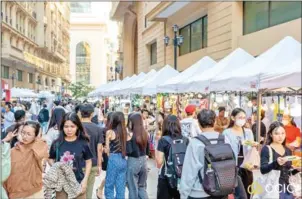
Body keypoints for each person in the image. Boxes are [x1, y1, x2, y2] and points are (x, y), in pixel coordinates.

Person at [179, 109, 232, 199]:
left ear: (199, 124)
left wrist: (183, 193)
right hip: (222, 189)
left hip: (199, 192)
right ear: (215, 122)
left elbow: (189, 171)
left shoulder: (195, 143)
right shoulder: (225, 139)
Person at [49, 112, 93, 199]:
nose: (69, 130)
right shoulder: (57, 143)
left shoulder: (83, 143)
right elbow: (50, 158)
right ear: (62, 127)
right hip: (61, 185)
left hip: (78, 184)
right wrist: (56, 167)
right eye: (66, 126)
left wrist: (85, 180)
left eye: (72, 126)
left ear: (77, 127)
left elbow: (88, 161)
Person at [4, 121, 48, 199]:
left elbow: (40, 155)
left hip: (34, 193)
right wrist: (5, 140)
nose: (24, 136)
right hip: (15, 194)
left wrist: (38, 138)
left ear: (36, 136)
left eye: (29, 134)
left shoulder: (39, 147)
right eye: (23, 133)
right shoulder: (12, 151)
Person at [223, 108, 256, 199]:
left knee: (248, 192)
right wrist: (240, 143)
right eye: (240, 117)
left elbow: (251, 148)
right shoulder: (227, 132)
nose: (242, 119)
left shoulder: (248, 132)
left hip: (247, 166)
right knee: (239, 194)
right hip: (234, 166)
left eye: (244, 117)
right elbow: (226, 149)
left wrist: (253, 145)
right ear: (233, 118)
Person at [260, 121, 299, 198]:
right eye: (276, 133)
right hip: (272, 188)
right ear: (271, 134)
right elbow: (263, 169)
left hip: (287, 189)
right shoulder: (266, 149)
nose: (280, 136)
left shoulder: (288, 150)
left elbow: (288, 171)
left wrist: (298, 169)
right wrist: (276, 163)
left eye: (282, 133)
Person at [156, 115, 189, 199]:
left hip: (166, 177)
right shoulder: (186, 140)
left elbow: (159, 163)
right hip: (182, 177)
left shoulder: (163, 140)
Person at [80, 104, 104, 199]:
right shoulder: (98, 128)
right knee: (89, 191)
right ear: (92, 114)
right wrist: (99, 165)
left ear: (80, 113)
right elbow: (99, 148)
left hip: (78, 163)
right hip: (92, 163)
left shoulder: (76, 127)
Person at [126, 113, 149, 199]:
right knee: (141, 187)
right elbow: (147, 151)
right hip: (144, 162)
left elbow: (129, 151)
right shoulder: (145, 133)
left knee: (133, 188)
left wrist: (128, 140)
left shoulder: (131, 134)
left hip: (133, 161)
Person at [105, 111, 127, 199]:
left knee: (109, 184)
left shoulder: (110, 132)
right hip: (123, 159)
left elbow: (107, 150)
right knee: (120, 185)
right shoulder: (125, 132)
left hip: (113, 158)